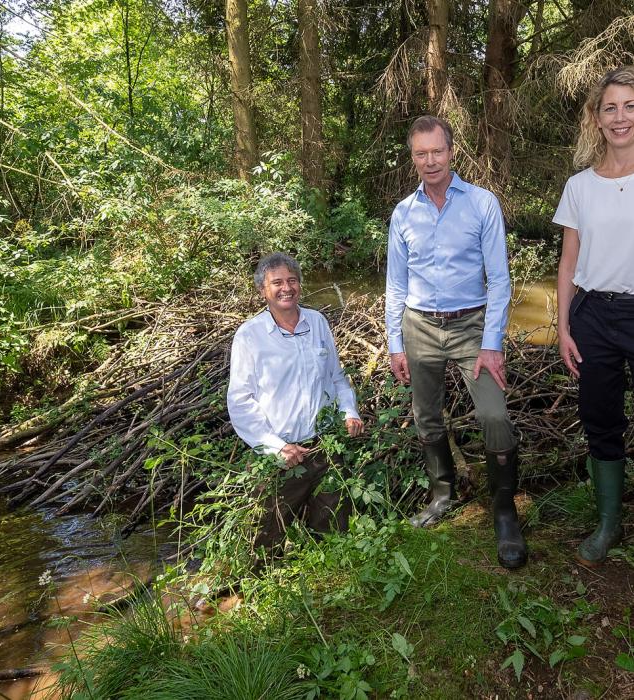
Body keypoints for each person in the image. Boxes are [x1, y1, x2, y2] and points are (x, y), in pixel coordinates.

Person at [385, 115, 527, 569]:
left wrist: (491, 343)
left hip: (471, 327)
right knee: (426, 415)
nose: (430, 161)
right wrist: (394, 342)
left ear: (452, 152)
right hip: (419, 326)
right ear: (413, 158)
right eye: (420, 154)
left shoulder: (482, 204)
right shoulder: (403, 213)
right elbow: (395, 284)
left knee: (493, 414)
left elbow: (500, 280)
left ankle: (504, 511)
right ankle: (442, 494)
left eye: (437, 151)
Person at [227, 252, 364, 548]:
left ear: (300, 285)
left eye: (292, 280)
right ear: (263, 290)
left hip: (325, 447)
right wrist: (276, 447)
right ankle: (255, 587)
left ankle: (332, 582)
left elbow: (337, 377)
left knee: (333, 530)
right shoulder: (250, 335)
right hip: (279, 456)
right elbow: (240, 401)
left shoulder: (317, 322)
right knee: (264, 537)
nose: (286, 288)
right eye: (277, 282)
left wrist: (349, 411)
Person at [554, 66, 634, 567]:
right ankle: (609, 523)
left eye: (630, 106)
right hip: (593, 317)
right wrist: (563, 327)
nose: (620, 116)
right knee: (601, 420)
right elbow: (568, 261)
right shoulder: (580, 186)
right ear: (596, 117)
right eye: (611, 107)